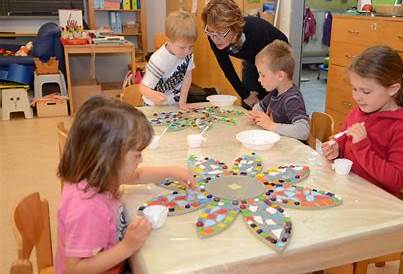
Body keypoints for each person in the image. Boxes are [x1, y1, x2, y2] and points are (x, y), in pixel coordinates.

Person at [55, 96, 195, 274]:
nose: (141, 159)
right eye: (137, 155)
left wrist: (171, 171)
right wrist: (128, 247)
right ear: (109, 158)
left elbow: (136, 176)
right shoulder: (87, 207)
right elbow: (76, 269)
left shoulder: (97, 174)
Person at [322, 45, 403, 195]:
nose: (357, 97)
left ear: (392, 89)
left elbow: (397, 180)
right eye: (354, 89)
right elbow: (344, 142)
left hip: (377, 202)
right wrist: (337, 149)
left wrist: (362, 147)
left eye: (366, 91)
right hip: (349, 190)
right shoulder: (359, 111)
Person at [201, 0, 289, 109]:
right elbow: (226, 66)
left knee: (271, 102)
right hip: (252, 58)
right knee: (249, 102)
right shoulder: (214, 35)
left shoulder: (257, 32)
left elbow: (268, 72)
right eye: (210, 32)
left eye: (220, 33)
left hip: (276, 56)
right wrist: (245, 95)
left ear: (234, 27)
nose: (215, 39)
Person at [247, 40, 309, 141]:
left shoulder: (292, 98)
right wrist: (256, 116)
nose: (259, 79)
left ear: (280, 76)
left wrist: (271, 125)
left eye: (262, 75)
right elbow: (259, 107)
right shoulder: (275, 92)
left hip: (291, 151)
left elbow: (303, 131)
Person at [140, 11, 197, 111]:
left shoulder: (188, 54)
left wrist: (182, 102)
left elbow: (187, 77)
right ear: (168, 40)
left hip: (173, 104)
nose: (187, 51)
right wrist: (153, 95)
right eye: (182, 47)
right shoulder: (159, 60)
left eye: (191, 46)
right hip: (153, 106)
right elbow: (142, 88)